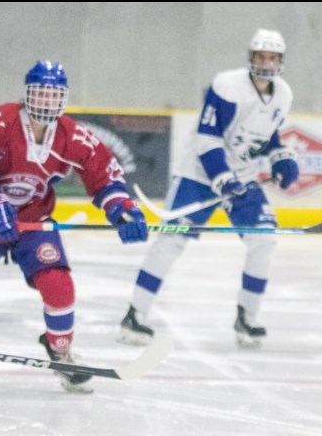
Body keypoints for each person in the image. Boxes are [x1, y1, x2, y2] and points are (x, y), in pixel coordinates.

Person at [0, 61, 149, 394]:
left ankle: (60, 349)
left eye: (53, 95)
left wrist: (121, 207)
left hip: (33, 221)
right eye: (39, 94)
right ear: (27, 95)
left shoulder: (72, 135)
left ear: (63, 99)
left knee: (59, 286)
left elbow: (103, 172)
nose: (45, 102)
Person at [117, 29, 299, 349]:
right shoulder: (227, 86)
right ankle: (135, 315)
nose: (266, 64)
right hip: (199, 174)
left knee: (264, 241)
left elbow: (267, 135)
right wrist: (221, 177)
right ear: (250, 58)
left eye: (273, 58)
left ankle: (248, 316)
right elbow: (207, 137)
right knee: (171, 240)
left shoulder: (283, 94)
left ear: (281, 61)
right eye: (260, 57)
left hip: (242, 176)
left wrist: (281, 157)